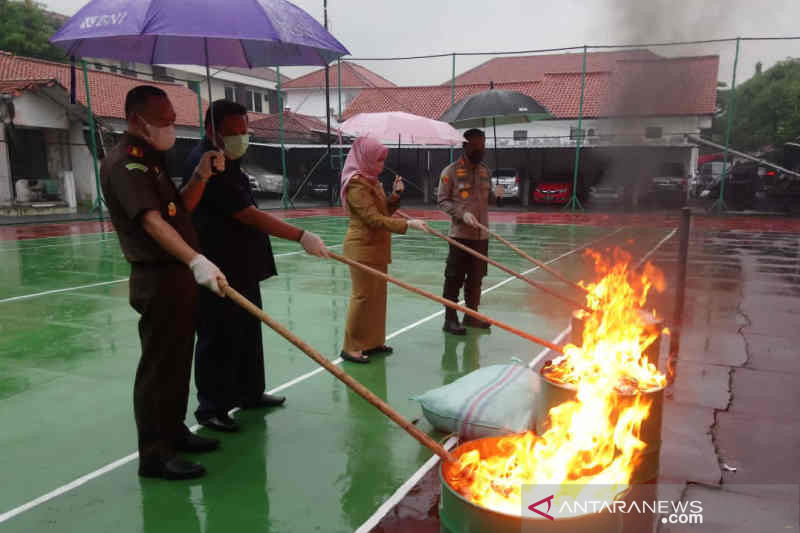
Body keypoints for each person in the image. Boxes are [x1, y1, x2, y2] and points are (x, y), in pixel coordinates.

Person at [100, 85, 227, 480]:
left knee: (176, 363)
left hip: (177, 279)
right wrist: (195, 259)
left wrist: (201, 176)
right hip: (157, 277)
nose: (172, 125)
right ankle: (154, 455)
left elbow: (178, 210)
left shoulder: (153, 161)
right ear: (138, 120)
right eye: (166, 120)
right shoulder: (125, 164)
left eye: (174, 118)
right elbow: (152, 222)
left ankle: (173, 432)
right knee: (159, 367)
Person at [182, 100, 329, 433]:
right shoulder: (206, 163)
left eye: (244, 131)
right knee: (216, 336)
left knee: (248, 329)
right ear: (211, 131)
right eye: (232, 132)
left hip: (241, 262)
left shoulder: (229, 160)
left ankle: (249, 392)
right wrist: (300, 235)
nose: (240, 138)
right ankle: (212, 407)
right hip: (215, 265)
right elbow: (245, 213)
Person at [339, 136, 428, 364]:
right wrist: (407, 224)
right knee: (362, 297)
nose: (381, 165)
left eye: (382, 161)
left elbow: (384, 211)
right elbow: (372, 218)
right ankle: (351, 347)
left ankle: (373, 342)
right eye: (378, 160)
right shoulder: (357, 183)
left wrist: (396, 195)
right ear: (365, 158)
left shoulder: (373, 181)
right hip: (361, 248)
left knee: (378, 297)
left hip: (377, 247)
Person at [437, 129, 494, 335]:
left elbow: (488, 199)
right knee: (454, 278)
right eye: (476, 146)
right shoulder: (450, 172)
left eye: (483, 145)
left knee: (477, 278)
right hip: (460, 236)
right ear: (465, 146)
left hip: (481, 235)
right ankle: (450, 319)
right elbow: (443, 201)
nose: (481, 150)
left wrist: (497, 196)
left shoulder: (485, 171)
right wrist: (462, 214)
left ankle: (471, 316)